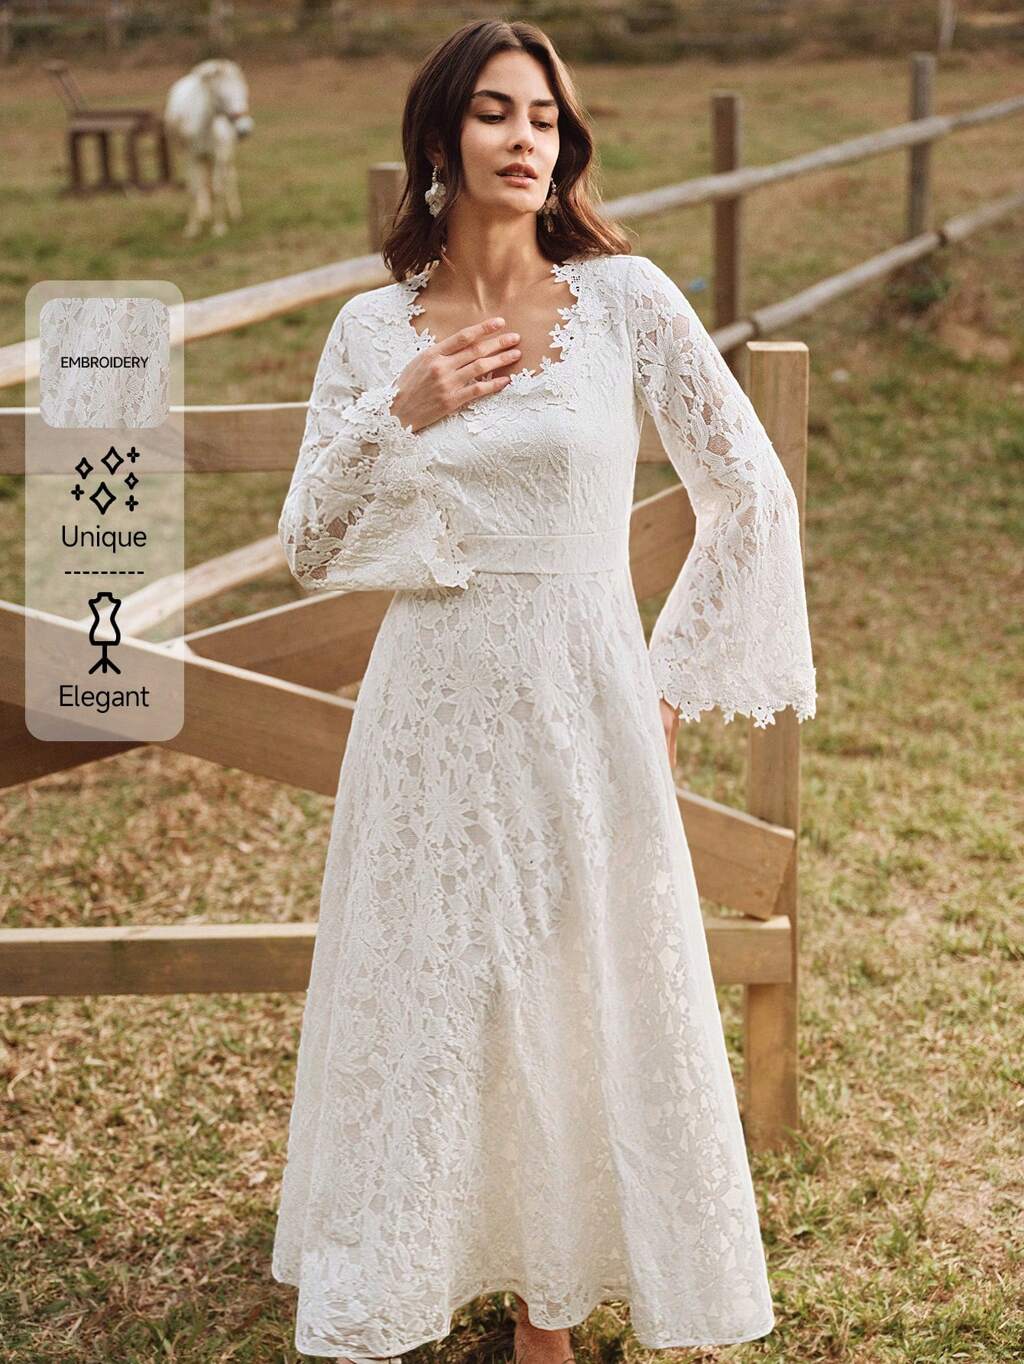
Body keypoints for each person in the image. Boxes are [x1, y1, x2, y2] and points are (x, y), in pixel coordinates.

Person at [271, 17, 816, 1364]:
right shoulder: (369, 330)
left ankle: (549, 1313)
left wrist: (669, 681)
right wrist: (401, 408)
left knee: (574, 978)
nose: (527, 139)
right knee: (427, 983)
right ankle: (407, 1268)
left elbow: (749, 493)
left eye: (546, 117)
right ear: (440, 137)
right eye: (497, 113)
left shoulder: (625, 301)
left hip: (586, 689)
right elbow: (308, 544)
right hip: (430, 697)